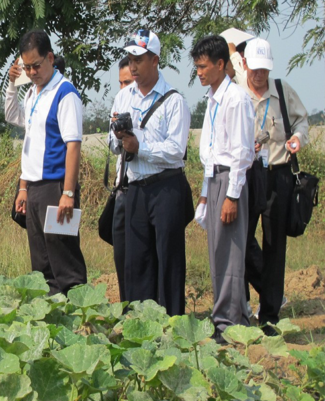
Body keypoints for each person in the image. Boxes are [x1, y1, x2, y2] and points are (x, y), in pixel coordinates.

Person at [109, 29, 191, 316]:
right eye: (131, 58)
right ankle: (140, 326)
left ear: (155, 60)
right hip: (134, 189)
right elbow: (112, 144)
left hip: (166, 188)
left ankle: (173, 325)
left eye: (140, 59)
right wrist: (120, 141)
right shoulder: (122, 98)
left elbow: (175, 151)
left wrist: (138, 146)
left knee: (168, 261)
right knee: (137, 261)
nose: (133, 65)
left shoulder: (174, 101)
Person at [234, 37, 309, 333]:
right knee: (241, 241)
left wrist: (298, 139)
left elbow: (302, 121)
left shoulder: (281, 90)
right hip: (248, 175)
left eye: (265, 69)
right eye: (255, 68)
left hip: (278, 174)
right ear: (245, 64)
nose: (259, 74)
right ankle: (242, 308)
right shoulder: (237, 94)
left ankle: (269, 316)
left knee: (275, 244)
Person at [5, 29, 87, 295]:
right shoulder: (33, 93)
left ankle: (78, 319)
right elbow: (18, 124)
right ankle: (52, 318)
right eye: (26, 67)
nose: (31, 72)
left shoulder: (65, 94)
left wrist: (68, 193)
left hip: (56, 186)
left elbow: (73, 146)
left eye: (36, 66)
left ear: (50, 58)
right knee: (41, 261)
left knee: (64, 258)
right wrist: (23, 187)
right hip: (36, 188)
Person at [193, 35, 255, 341]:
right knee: (218, 253)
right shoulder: (213, 98)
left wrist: (231, 195)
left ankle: (228, 325)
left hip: (231, 180)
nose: (199, 73)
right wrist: (206, 192)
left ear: (221, 64)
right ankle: (233, 319)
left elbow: (242, 153)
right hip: (215, 179)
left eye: (204, 67)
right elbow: (212, 149)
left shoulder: (236, 99)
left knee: (230, 254)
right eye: (197, 68)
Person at [111, 56, 134, 302]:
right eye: (120, 82)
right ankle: (126, 304)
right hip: (121, 186)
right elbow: (112, 145)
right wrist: (120, 136)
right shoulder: (119, 101)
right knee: (121, 252)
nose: (124, 88)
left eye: (128, 82)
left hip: (144, 185)